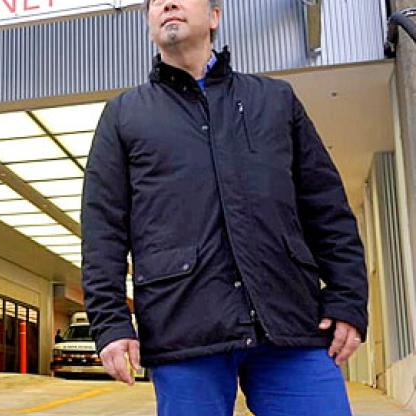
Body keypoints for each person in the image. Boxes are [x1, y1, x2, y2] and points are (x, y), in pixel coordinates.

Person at [81, 1, 368, 415]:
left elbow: (327, 209)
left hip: (289, 322)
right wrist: (110, 324)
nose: (167, 3)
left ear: (215, 17)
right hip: (183, 328)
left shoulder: (275, 100)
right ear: (149, 26)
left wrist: (347, 300)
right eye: (155, 1)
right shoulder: (124, 116)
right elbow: (102, 230)